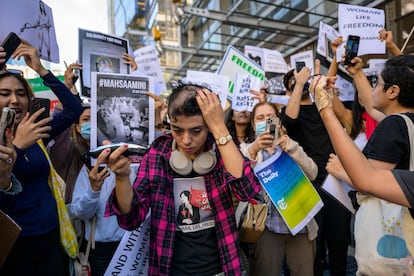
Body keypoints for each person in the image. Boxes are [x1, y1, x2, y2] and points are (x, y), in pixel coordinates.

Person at [103, 82, 261, 275]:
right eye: (178, 130)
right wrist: (121, 178)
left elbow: (248, 191)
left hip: (222, 268)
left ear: (208, 126)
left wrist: (220, 127)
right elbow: (131, 219)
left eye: (196, 131)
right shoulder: (157, 156)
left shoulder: (222, 152)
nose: (186, 140)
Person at [0, 39, 83, 275]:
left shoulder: (38, 132)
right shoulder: (23, 139)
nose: (14, 100)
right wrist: (18, 147)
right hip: (14, 246)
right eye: (4, 93)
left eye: (20, 93)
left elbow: (74, 110)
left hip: (50, 238)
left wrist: (40, 69)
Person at [280, 65, 351, 276]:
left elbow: (347, 120)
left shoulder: (322, 107)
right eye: (292, 82)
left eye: (302, 79)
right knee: (314, 245)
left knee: (339, 239)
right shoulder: (289, 112)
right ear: (288, 90)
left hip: (335, 181)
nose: (298, 83)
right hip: (306, 185)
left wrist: (322, 86)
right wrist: (299, 82)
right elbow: (289, 121)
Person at [239, 101, 318, 276]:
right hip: (267, 228)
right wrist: (253, 150)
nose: (265, 121)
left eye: (270, 117)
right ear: (253, 125)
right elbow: (238, 179)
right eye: (260, 118)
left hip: (300, 227)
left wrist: (290, 147)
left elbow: (313, 173)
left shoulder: (290, 146)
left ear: (278, 122)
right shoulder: (246, 150)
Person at [71, 147, 138, 276]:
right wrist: (94, 189)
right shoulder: (92, 168)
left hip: (135, 246)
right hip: (101, 251)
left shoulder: (138, 164)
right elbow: (80, 212)